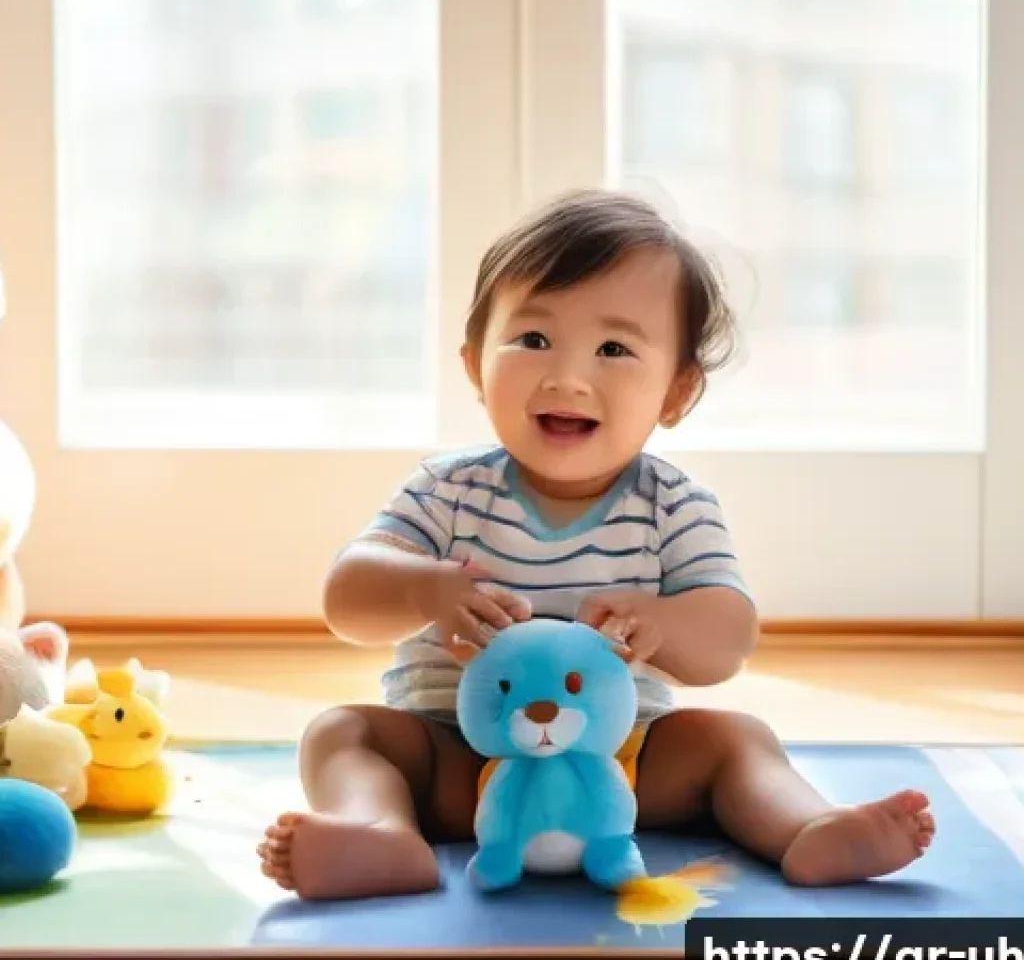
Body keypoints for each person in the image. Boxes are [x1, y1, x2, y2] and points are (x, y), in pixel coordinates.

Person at [257, 189, 935, 900]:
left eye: (613, 349)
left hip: (625, 766)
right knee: (343, 733)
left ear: (676, 393)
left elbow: (728, 638)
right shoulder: (448, 489)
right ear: (473, 367)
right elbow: (347, 596)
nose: (567, 377)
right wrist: (421, 586)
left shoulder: (672, 506)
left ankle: (807, 827)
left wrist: (665, 624)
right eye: (533, 340)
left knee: (735, 738)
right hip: (456, 762)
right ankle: (377, 834)